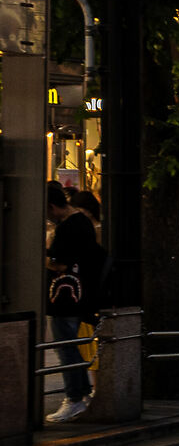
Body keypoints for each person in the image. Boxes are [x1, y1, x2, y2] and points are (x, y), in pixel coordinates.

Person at [44, 182, 102, 425]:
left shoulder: (68, 227)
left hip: (65, 296)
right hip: (80, 293)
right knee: (72, 345)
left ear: (51, 206)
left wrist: (39, 255)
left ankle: (74, 397)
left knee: (66, 346)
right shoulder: (83, 221)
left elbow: (60, 264)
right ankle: (81, 395)